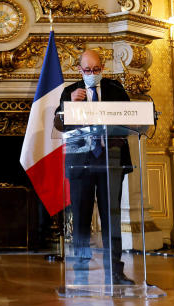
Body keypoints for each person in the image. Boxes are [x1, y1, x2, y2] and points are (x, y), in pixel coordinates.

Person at [55, 49, 134, 286]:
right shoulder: (70, 91)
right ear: (79, 70)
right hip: (81, 162)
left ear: (103, 68)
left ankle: (115, 271)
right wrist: (70, 105)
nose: (92, 74)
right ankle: (80, 270)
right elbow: (58, 124)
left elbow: (130, 119)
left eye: (96, 70)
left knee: (112, 217)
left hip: (111, 159)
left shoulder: (115, 89)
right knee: (80, 217)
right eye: (87, 70)